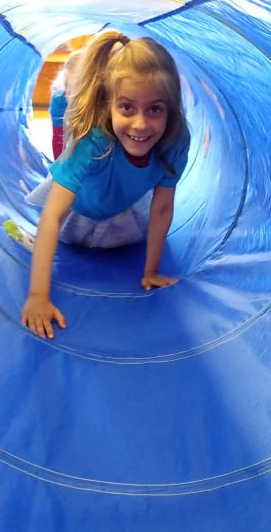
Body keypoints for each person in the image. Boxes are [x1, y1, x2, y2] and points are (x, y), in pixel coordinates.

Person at [21, 30, 190, 339]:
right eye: (127, 107)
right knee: (77, 239)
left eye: (155, 109)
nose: (140, 124)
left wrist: (151, 271)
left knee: (122, 240)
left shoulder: (174, 141)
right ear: (109, 105)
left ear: (171, 107)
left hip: (121, 202)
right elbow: (53, 215)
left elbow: (163, 207)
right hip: (80, 208)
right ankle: (64, 95)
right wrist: (37, 296)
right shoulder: (94, 142)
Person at [49, 48, 83, 159]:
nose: (76, 100)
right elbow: (58, 139)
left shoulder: (96, 98)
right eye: (72, 93)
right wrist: (59, 164)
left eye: (81, 94)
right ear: (66, 86)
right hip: (62, 107)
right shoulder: (58, 101)